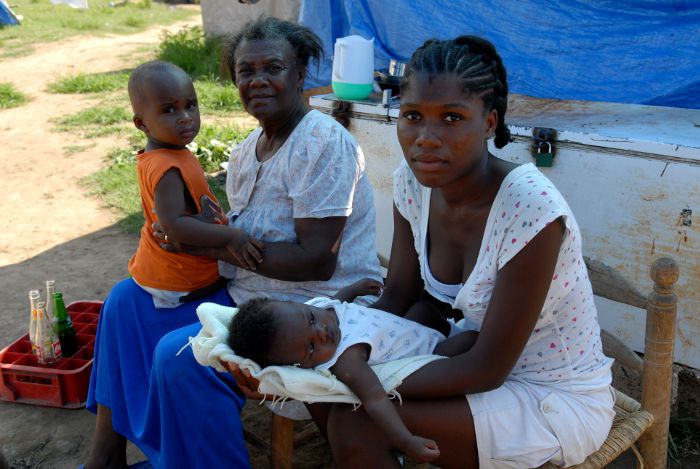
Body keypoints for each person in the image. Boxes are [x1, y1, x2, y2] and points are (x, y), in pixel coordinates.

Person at [278, 36, 615, 468]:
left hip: (548, 394)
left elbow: (488, 369)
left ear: (490, 122)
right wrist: (325, 356)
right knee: (326, 395)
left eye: (452, 118)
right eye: (413, 116)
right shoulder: (412, 182)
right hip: (468, 357)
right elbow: (398, 296)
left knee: (356, 419)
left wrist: (360, 379)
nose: (427, 138)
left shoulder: (530, 208)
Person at [127, 17, 381, 469]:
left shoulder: (323, 144)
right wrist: (200, 238)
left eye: (273, 67)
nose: (258, 80)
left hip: (310, 305)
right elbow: (229, 228)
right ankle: (127, 450)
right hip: (251, 293)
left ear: (301, 74)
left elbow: (316, 262)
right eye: (246, 71)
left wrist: (209, 244)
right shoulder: (247, 150)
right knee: (127, 303)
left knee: (179, 358)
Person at [84, 60, 263, 469]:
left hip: (174, 274)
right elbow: (174, 225)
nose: (185, 118)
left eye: (191, 105)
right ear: (140, 123)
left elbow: (186, 217)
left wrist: (206, 223)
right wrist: (231, 237)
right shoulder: (166, 165)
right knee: (122, 305)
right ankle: (121, 451)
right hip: (178, 282)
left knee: (125, 305)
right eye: (169, 110)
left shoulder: (171, 155)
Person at [228, 277, 478, 464]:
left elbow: (335, 302)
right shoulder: (347, 360)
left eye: (311, 319)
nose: (323, 332)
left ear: (295, 304)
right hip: (428, 356)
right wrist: (405, 440)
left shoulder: (317, 308)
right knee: (468, 340)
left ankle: (450, 326)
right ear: (301, 366)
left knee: (423, 310)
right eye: (312, 348)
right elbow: (375, 399)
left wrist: (354, 290)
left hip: (412, 329)